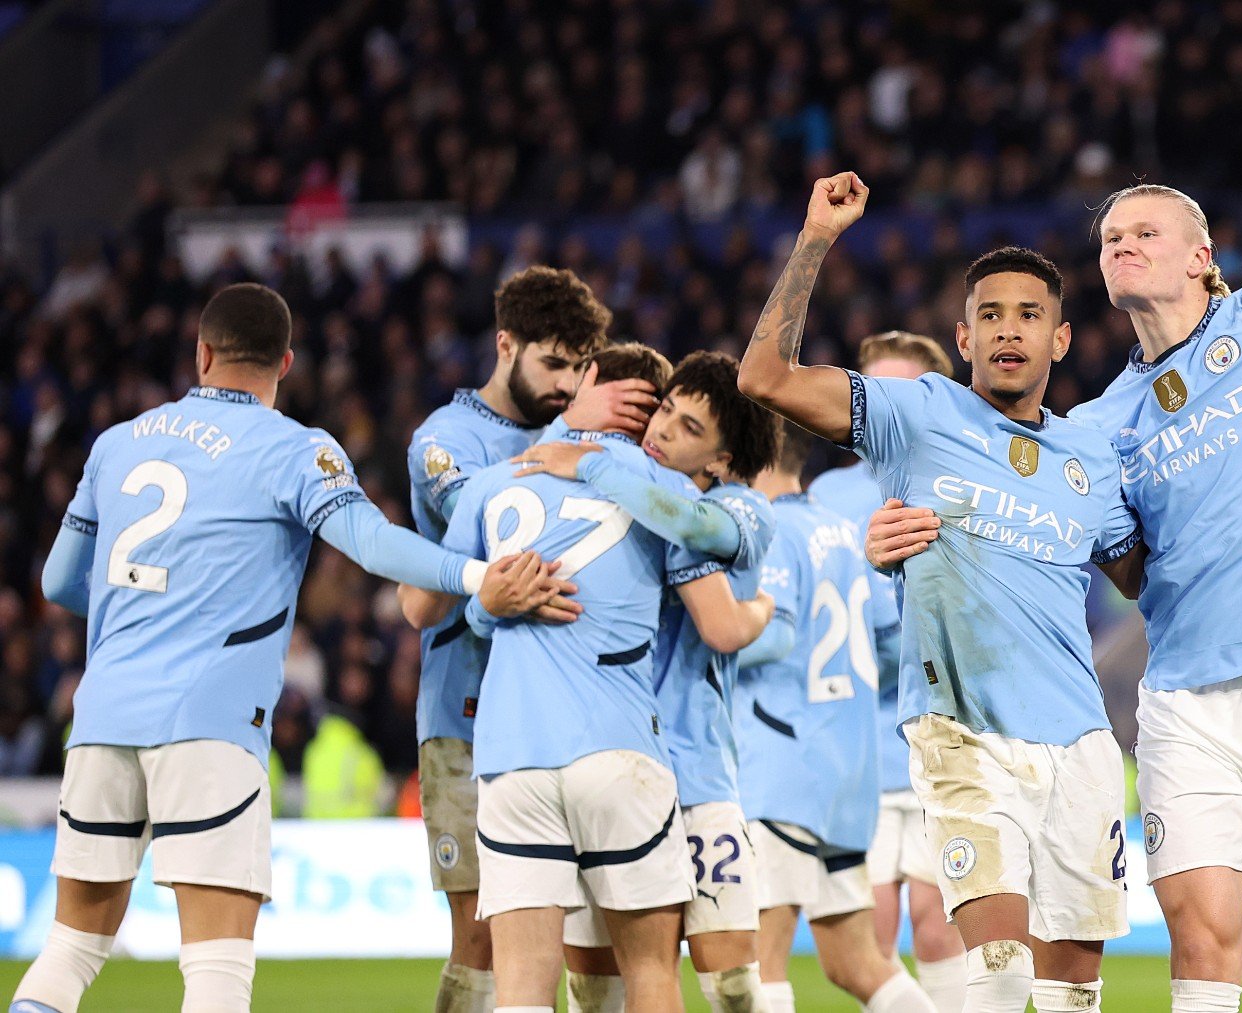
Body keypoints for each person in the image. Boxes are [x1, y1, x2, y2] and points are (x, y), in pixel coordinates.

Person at [868, 40, 1242, 1013]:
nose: (1120, 245)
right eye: (1108, 240)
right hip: (1189, 704)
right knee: (1202, 942)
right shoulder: (1098, 424)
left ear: (1202, 256)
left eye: (1144, 231)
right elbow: (1113, 563)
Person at [11, 283, 562, 1013]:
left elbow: (58, 580)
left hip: (103, 720)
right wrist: (474, 574)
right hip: (209, 727)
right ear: (286, 363)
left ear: (201, 352)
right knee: (215, 970)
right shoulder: (295, 449)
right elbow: (372, 543)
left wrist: (148, 606)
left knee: (72, 948)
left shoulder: (117, 443)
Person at [738, 174, 1142, 1013]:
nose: (1009, 330)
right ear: (962, 337)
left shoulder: (1093, 459)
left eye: (1029, 315)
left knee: (1073, 988)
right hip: (962, 730)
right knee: (993, 969)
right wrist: (814, 237)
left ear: (1061, 340)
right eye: (990, 315)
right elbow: (765, 377)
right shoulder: (917, 416)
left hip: (1080, 743)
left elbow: (1145, 577)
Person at [439, 343, 775, 1013]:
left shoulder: (726, 510)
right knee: (597, 987)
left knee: (732, 987)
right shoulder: (637, 492)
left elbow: (724, 621)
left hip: (693, 768)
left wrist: (587, 456)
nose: (661, 432)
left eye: (688, 428)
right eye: (665, 412)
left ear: (722, 462)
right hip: (621, 757)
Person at [404, 265, 656, 1013]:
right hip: (469, 714)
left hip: (585, 716)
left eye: (582, 368)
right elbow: (498, 527)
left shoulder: (590, 434)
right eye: (553, 364)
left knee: (599, 938)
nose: (567, 383)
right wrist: (575, 426)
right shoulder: (447, 440)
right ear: (504, 344)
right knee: (486, 938)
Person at [737, 420, 934, 1013]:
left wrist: (704, 632)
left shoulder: (767, 530)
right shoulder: (837, 530)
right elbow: (883, 638)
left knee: (757, 960)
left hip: (782, 766)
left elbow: (769, 636)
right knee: (854, 963)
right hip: (846, 772)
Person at [807, 333, 966, 1012]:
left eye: (901, 393)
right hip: (855, 754)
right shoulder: (826, 494)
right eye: (868, 392)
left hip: (941, 739)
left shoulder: (959, 481)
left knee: (936, 923)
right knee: (867, 936)